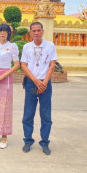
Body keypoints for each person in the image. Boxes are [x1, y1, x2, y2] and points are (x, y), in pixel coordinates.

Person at [21, 22, 57, 155]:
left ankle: (45, 142)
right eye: (33, 30)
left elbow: (52, 64)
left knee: (46, 115)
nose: (36, 33)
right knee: (28, 114)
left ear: (43, 31)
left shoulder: (50, 45)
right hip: (31, 83)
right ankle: (28, 140)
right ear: (30, 32)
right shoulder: (26, 47)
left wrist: (45, 82)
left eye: (38, 30)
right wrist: (36, 81)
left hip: (45, 84)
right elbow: (24, 65)